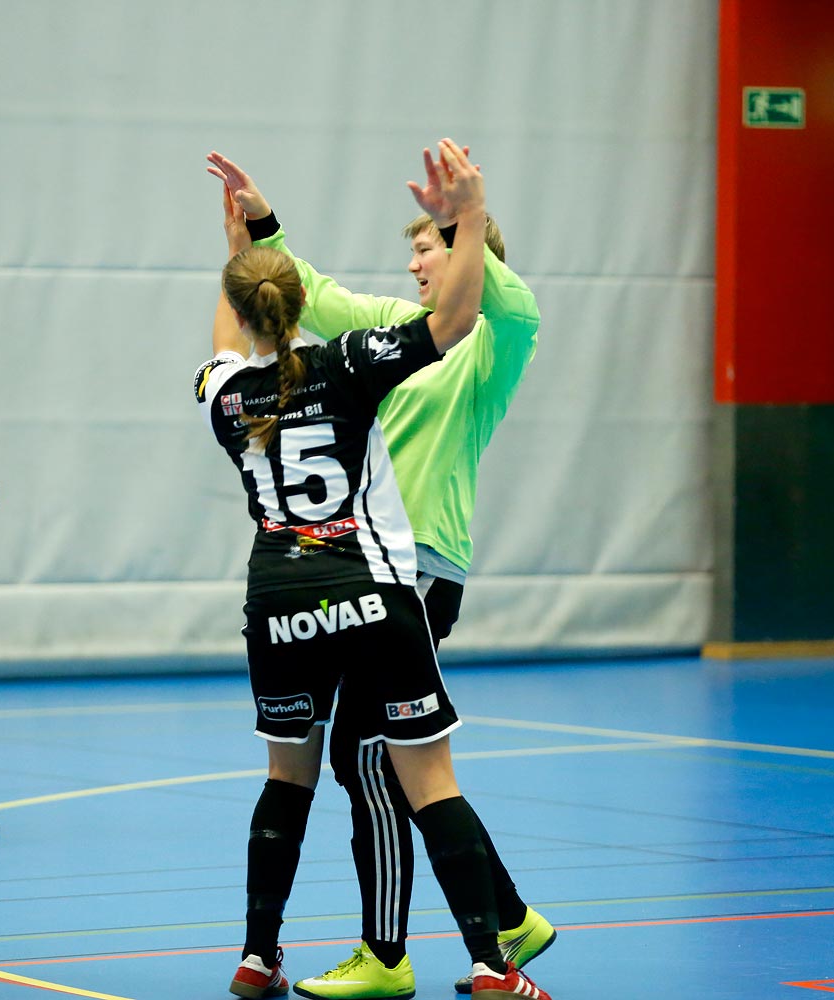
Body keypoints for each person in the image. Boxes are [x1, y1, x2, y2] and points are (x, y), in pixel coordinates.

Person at [197, 141, 552, 1000]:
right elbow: (302, 293)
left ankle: (397, 955)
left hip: (418, 567)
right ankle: (500, 924)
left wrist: (466, 218)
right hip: (358, 570)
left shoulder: (489, 345)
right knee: (386, 763)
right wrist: (261, 228)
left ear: (468, 256)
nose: (413, 260)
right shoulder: (378, 338)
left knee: (375, 762)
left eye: (427, 247)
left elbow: (503, 306)